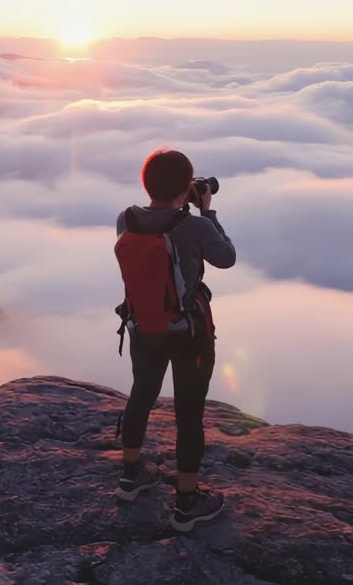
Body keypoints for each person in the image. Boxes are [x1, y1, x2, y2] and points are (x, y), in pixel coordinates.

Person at [113, 148, 235, 532]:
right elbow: (226, 257)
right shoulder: (195, 226)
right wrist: (207, 210)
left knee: (142, 394)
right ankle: (186, 503)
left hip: (142, 327)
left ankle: (130, 477)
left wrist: (184, 201)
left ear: (145, 184)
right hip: (189, 336)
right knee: (188, 415)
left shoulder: (127, 219)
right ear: (187, 188)